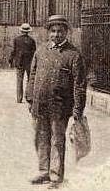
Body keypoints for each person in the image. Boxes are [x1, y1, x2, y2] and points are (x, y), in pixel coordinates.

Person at [26, 14, 86, 189]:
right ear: (48, 33)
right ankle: (43, 171)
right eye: (53, 31)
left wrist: (77, 109)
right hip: (39, 104)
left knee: (57, 140)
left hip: (60, 107)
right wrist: (30, 97)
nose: (56, 35)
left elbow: (79, 85)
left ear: (66, 32)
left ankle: (55, 176)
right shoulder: (41, 51)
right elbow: (33, 75)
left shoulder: (74, 55)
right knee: (40, 138)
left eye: (60, 31)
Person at [9, 23, 36, 103]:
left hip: (19, 62)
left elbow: (13, 51)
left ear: (21, 31)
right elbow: (35, 52)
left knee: (19, 80)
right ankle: (28, 97)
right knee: (29, 80)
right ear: (28, 31)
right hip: (29, 63)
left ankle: (19, 98)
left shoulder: (16, 40)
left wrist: (10, 61)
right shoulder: (32, 40)